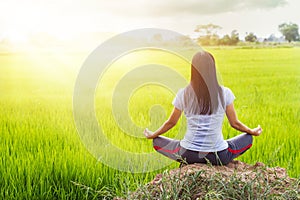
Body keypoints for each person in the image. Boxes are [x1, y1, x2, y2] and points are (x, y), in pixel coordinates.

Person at [144, 51, 262, 166]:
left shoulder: (183, 94)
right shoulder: (224, 93)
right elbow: (234, 123)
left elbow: (171, 123)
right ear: (213, 69)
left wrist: (153, 134)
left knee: (157, 141)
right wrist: (252, 131)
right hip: (218, 156)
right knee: (248, 138)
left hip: (188, 155)